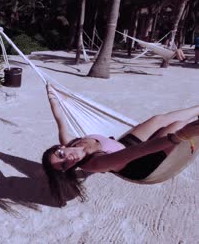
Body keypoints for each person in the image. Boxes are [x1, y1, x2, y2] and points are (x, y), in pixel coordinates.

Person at [41, 84, 199, 206]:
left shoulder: (69, 142)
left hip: (123, 146)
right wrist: (180, 136)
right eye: (64, 166)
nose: (67, 159)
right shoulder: (96, 163)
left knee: (157, 119)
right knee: (177, 126)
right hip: (140, 163)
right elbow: (139, 151)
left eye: (60, 156)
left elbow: (59, 119)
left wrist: (53, 96)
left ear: (60, 147)